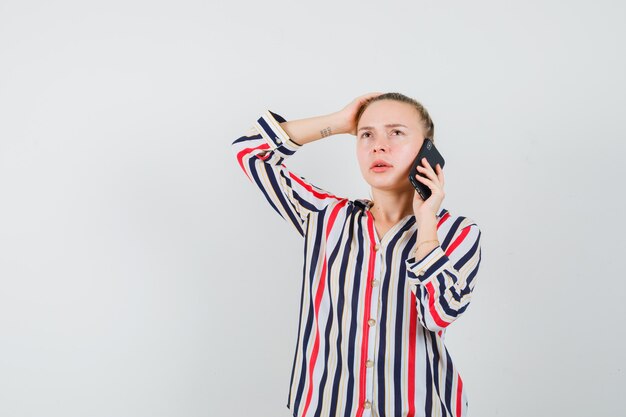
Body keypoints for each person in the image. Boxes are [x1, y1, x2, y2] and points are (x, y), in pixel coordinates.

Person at [230, 92, 482, 417]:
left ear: (428, 150)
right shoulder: (325, 216)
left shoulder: (457, 233)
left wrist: (426, 225)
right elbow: (250, 150)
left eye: (396, 132)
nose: (378, 146)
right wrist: (339, 122)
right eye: (367, 134)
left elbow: (440, 314)